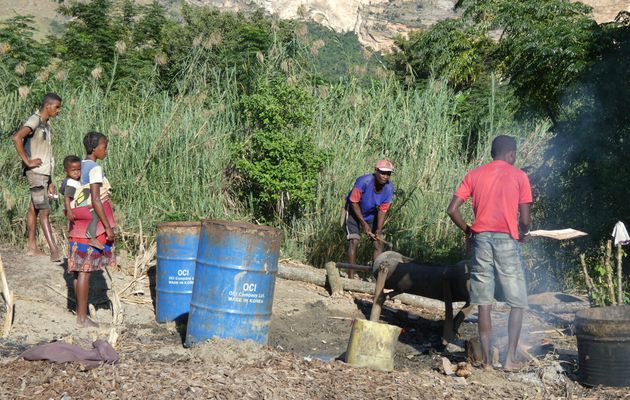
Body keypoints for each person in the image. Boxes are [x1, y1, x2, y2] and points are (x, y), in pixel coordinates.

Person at [446, 135, 532, 372]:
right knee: (518, 301)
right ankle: (509, 360)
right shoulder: (520, 176)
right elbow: (524, 220)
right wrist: (524, 233)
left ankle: (485, 362)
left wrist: (469, 231)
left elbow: (452, 209)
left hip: (481, 240)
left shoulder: (474, 174)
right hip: (506, 241)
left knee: (484, 302)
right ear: (511, 154)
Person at [67, 132, 116, 327]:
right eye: (104, 147)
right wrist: (107, 227)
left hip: (77, 224)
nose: (106, 150)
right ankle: (81, 317)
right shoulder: (95, 168)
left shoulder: (78, 165)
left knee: (79, 272)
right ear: (95, 149)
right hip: (91, 226)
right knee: (85, 272)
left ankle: (79, 313)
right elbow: (96, 199)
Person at [12, 93, 62, 262]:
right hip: (36, 172)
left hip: (44, 174)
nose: (58, 111)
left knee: (34, 207)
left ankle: (32, 247)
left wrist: (50, 181)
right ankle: (54, 250)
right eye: (57, 107)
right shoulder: (35, 120)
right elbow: (17, 137)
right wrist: (27, 161)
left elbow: (48, 154)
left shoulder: (46, 125)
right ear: (48, 106)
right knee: (44, 209)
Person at [345, 160, 394, 279]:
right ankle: (351, 276)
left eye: (388, 174)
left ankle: (376, 277)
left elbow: (382, 210)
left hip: (370, 214)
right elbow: (354, 202)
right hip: (353, 211)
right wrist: (364, 224)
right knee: (354, 241)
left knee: (378, 242)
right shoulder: (363, 181)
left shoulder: (389, 188)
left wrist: (378, 229)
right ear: (376, 171)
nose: (385, 176)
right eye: (382, 173)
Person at [60, 155, 103, 250]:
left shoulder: (74, 181)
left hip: (77, 206)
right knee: (95, 215)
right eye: (73, 170)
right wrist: (69, 211)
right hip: (75, 208)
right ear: (66, 170)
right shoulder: (71, 183)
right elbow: (67, 198)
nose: (76, 173)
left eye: (78, 170)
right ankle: (92, 237)